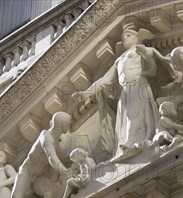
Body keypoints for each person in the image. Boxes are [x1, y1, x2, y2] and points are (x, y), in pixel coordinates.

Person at [73, 23, 175, 162]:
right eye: (123, 37)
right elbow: (105, 79)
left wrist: (146, 55)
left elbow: (152, 70)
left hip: (138, 85)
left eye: (128, 35)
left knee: (132, 114)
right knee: (125, 118)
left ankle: (130, 143)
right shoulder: (119, 60)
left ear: (137, 38)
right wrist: (86, 93)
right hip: (125, 90)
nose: (125, 39)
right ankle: (128, 143)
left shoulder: (141, 51)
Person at [3, 112, 72, 198]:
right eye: (68, 122)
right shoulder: (46, 136)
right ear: (61, 124)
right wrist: (64, 170)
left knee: (49, 193)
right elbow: (51, 158)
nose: (69, 125)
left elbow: (51, 165)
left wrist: (60, 176)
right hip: (27, 172)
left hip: (39, 177)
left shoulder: (57, 141)